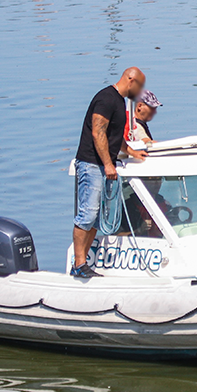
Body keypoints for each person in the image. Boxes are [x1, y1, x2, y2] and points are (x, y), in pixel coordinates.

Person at [71, 67, 148, 278]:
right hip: (91, 164)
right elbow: (98, 132)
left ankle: (83, 263)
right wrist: (108, 164)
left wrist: (131, 151)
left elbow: (114, 136)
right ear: (130, 80)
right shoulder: (106, 98)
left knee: (96, 219)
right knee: (86, 214)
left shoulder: (119, 101)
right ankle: (78, 264)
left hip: (103, 165)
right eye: (140, 86)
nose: (140, 92)